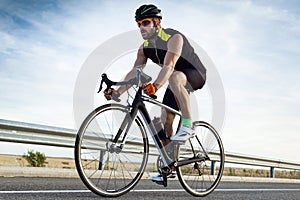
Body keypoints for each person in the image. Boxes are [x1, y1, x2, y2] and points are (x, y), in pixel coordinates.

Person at [104, 4, 206, 183]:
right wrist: (117, 91)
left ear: (157, 23)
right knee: (165, 119)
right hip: (175, 80)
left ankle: (188, 125)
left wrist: (156, 86)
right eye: (139, 24)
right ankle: (169, 165)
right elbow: (134, 72)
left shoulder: (174, 37)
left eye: (145, 23)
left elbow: (169, 65)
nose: (141, 27)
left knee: (174, 77)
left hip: (194, 73)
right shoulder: (144, 48)